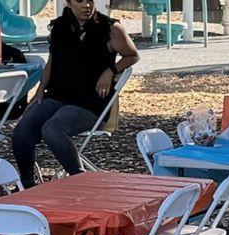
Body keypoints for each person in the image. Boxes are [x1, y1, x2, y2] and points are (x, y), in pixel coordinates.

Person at [12, 0, 139, 188]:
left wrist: (111, 70)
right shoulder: (60, 27)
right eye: (80, 1)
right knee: (22, 130)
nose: (86, 5)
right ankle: (27, 184)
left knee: (52, 129)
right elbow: (52, 62)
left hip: (88, 102)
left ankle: (79, 181)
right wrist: (39, 92)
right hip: (57, 96)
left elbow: (132, 55)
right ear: (69, 2)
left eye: (90, 0)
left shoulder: (110, 28)